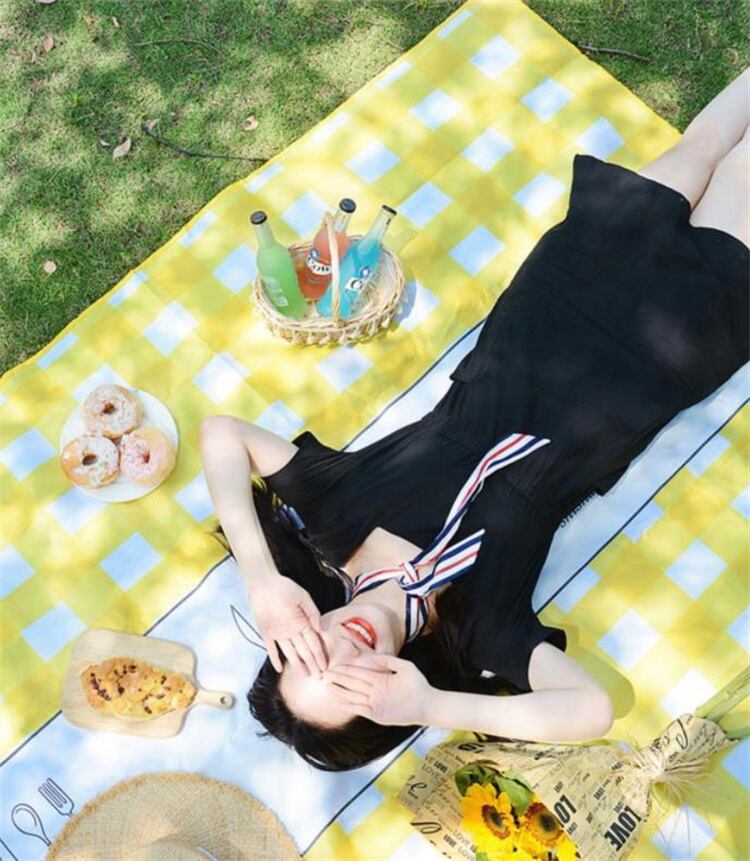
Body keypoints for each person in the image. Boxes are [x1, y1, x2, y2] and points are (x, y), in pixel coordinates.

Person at [200, 68, 749, 771]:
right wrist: (432, 706)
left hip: (551, 306)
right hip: (656, 354)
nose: (344, 651)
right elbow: (592, 709)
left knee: (701, 147)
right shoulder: (477, 630)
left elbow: (224, 434)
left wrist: (262, 580)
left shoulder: (336, 520)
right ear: (381, 707)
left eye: (311, 655)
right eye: (351, 686)